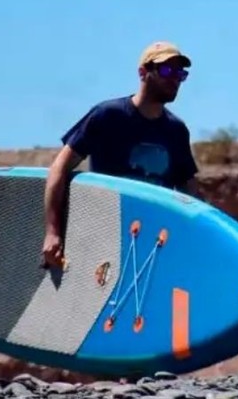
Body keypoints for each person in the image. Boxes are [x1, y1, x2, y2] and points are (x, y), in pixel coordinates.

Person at [41, 40, 200, 268]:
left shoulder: (176, 130)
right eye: (166, 70)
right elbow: (59, 168)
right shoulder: (108, 116)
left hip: (153, 247)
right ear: (143, 72)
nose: (174, 79)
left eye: (180, 73)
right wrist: (53, 232)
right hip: (105, 240)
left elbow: (190, 194)